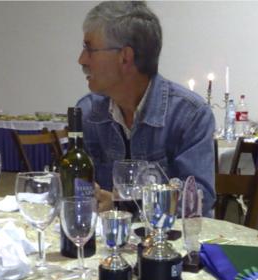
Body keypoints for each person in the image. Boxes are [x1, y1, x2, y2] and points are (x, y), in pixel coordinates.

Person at [76, 1, 216, 213]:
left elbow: (197, 199)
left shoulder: (189, 114)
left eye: (89, 49)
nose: (81, 60)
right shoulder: (88, 112)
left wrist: (122, 206)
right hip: (108, 234)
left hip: (170, 234)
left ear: (125, 57)